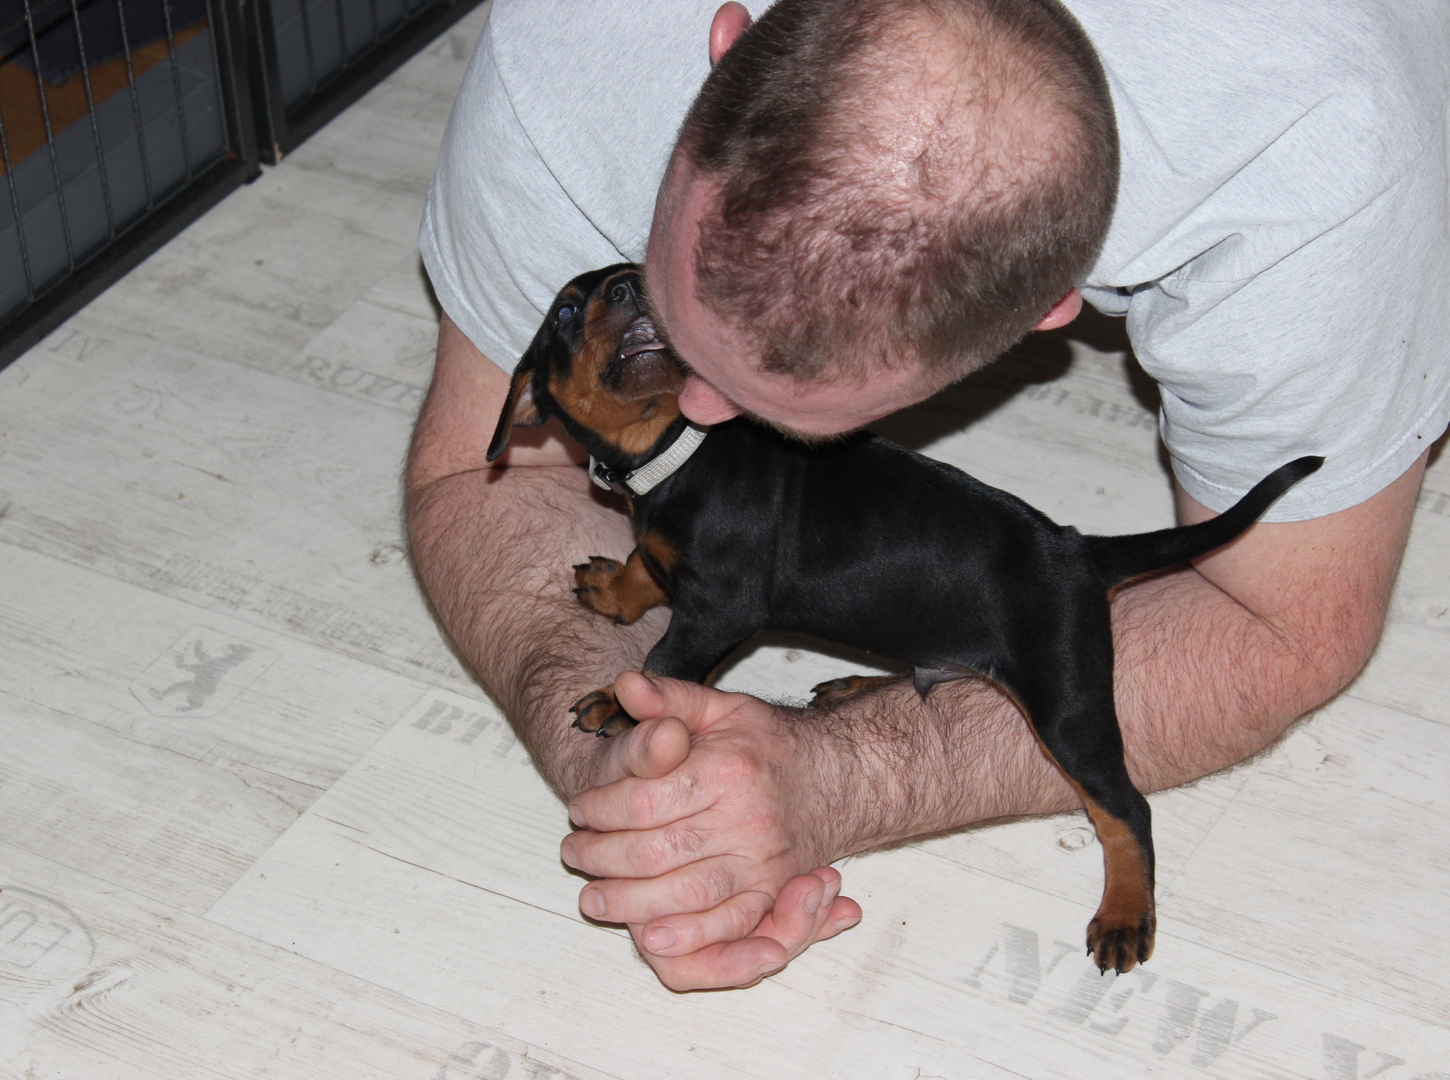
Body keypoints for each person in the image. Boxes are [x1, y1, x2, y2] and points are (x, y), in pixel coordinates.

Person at [405, 0, 1450, 991]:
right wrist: (631, 773)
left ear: (1045, 315)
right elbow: (479, 476)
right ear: (725, 50)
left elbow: (1282, 623)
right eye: (685, 331)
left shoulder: (1317, 167)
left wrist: (838, 776)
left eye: (780, 418)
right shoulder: (585, 43)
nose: (699, 418)